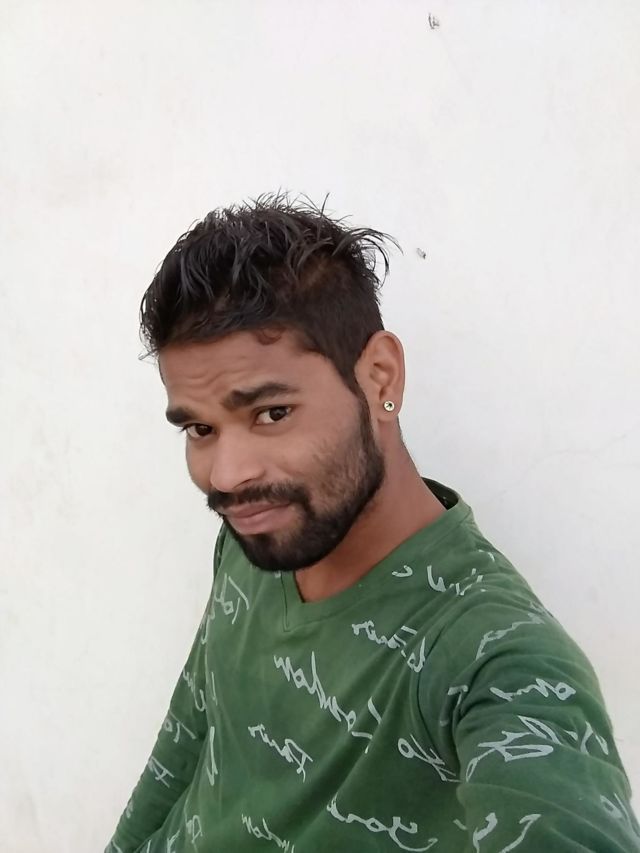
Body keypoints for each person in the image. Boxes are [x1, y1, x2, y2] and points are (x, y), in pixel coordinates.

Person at [106, 193, 639, 852]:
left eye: (271, 413)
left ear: (380, 377)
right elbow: (188, 736)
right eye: (199, 428)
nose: (228, 474)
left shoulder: (496, 659)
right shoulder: (257, 536)